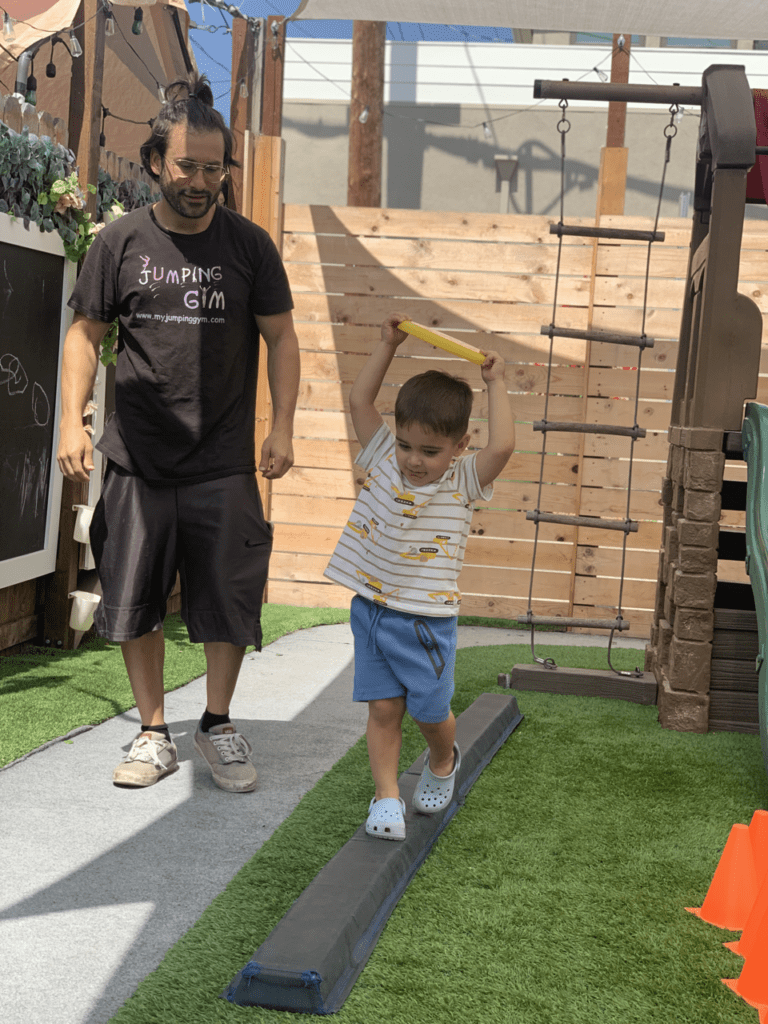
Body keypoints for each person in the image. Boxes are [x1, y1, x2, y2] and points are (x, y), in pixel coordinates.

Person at [56, 74, 300, 792]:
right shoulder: (120, 241)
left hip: (223, 457)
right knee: (134, 596)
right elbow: (84, 331)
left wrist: (281, 425)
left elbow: (282, 340)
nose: (200, 181)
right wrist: (71, 417)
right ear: (156, 162)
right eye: (187, 166)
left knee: (229, 598)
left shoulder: (250, 247)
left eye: (213, 167)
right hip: (136, 455)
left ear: (226, 168)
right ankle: (153, 732)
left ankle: (217, 725)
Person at [324, 313, 515, 840]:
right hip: (372, 610)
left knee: (431, 714)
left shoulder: (463, 480)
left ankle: (441, 758)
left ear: (459, 444)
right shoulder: (384, 457)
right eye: (407, 444)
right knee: (384, 708)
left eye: (430, 451)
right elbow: (360, 403)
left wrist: (495, 383)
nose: (413, 460)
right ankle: (386, 798)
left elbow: (501, 448)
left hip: (427, 622)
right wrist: (387, 344)